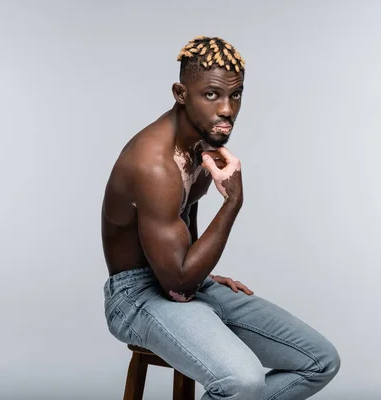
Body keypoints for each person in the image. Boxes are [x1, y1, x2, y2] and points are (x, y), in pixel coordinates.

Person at [101, 35, 340, 399]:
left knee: (319, 361)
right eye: (211, 95)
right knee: (242, 382)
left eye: (236, 94)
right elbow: (178, 286)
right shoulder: (154, 165)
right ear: (181, 94)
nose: (227, 109)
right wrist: (232, 203)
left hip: (184, 278)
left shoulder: (199, 144)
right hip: (137, 297)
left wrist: (200, 271)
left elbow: (183, 231)